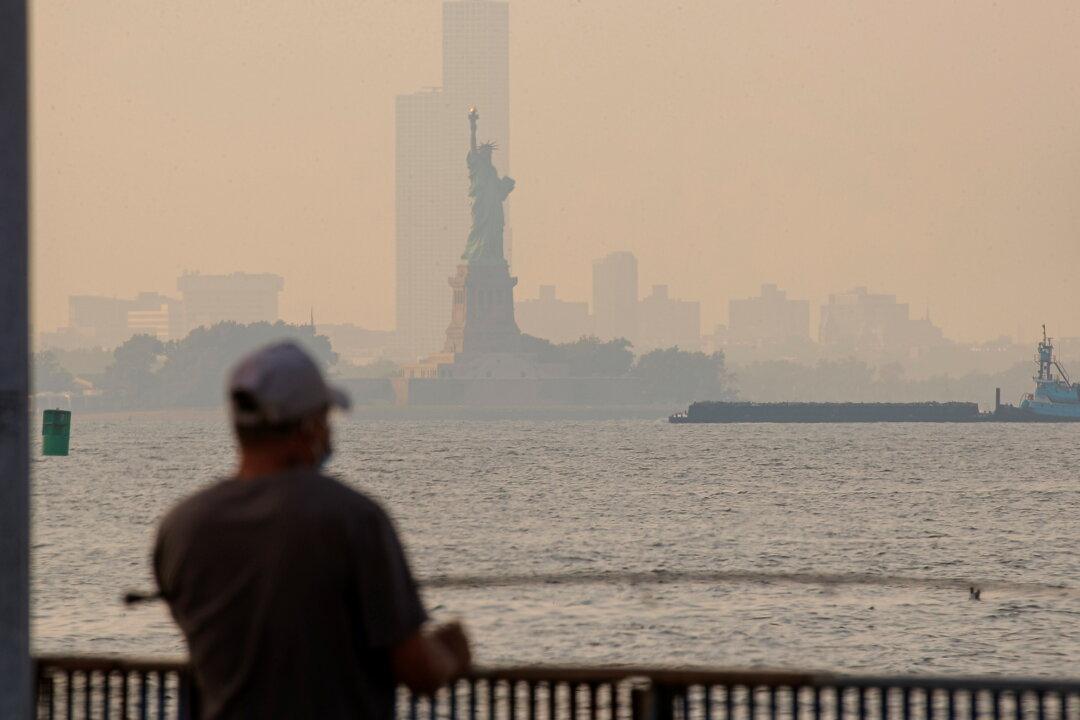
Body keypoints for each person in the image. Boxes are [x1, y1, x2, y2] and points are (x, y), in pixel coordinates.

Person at [153, 341, 470, 719]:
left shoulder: (182, 527)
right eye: (324, 419)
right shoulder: (355, 519)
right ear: (307, 427)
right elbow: (417, 671)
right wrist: (451, 652)